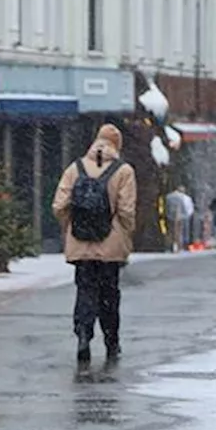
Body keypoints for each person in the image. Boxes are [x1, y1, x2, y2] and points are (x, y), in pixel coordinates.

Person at [51, 124, 137, 366]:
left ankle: (83, 337)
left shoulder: (75, 168)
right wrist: (125, 234)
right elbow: (127, 210)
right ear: (117, 145)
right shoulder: (124, 171)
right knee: (109, 294)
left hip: (81, 244)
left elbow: (59, 206)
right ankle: (111, 341)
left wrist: (71, 225)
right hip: (111, 245)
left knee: (85, 291)